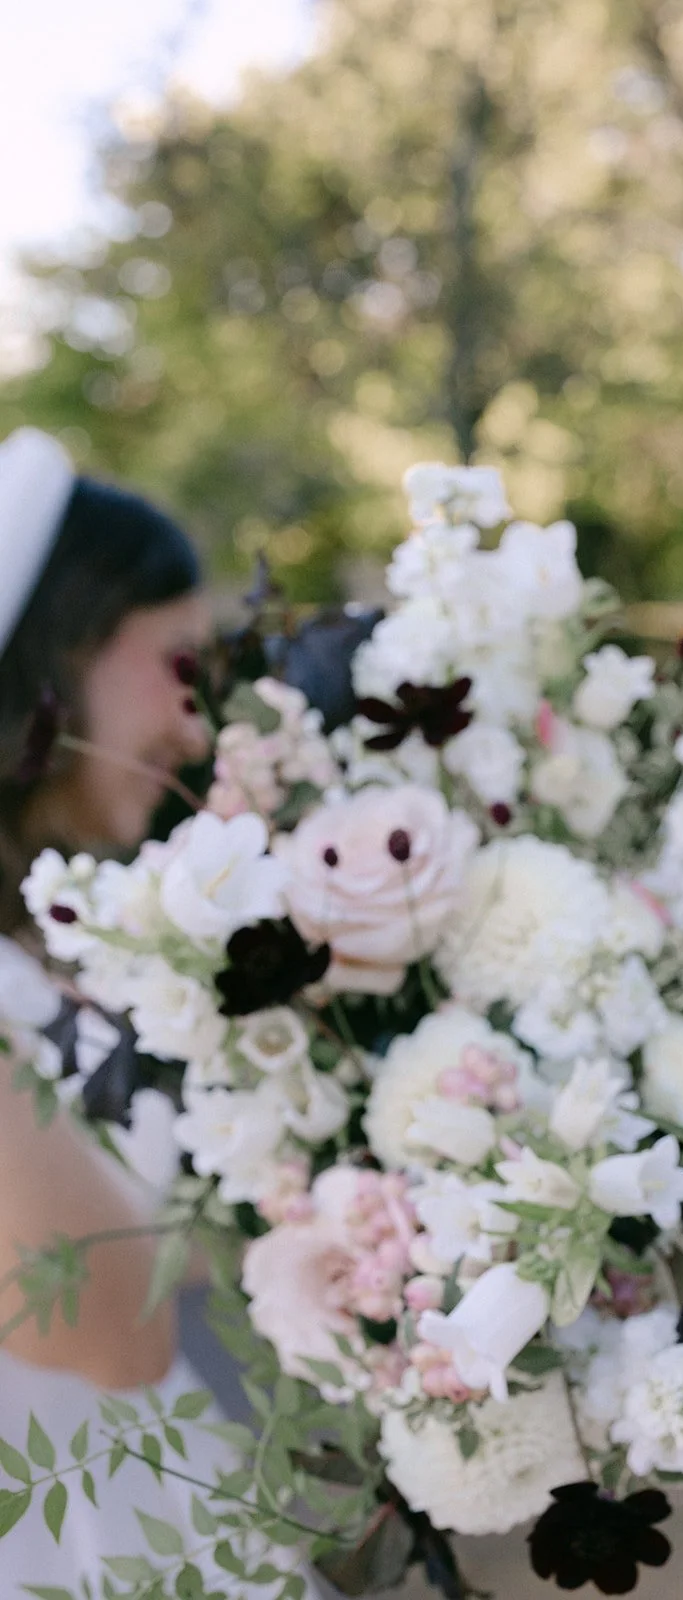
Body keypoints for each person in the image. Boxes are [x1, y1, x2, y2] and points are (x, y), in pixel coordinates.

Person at [0, 426, 230, 1591]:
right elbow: (113, 1328)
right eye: (179, 663)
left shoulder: (60, 943)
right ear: (64, 651)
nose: (197, 723)